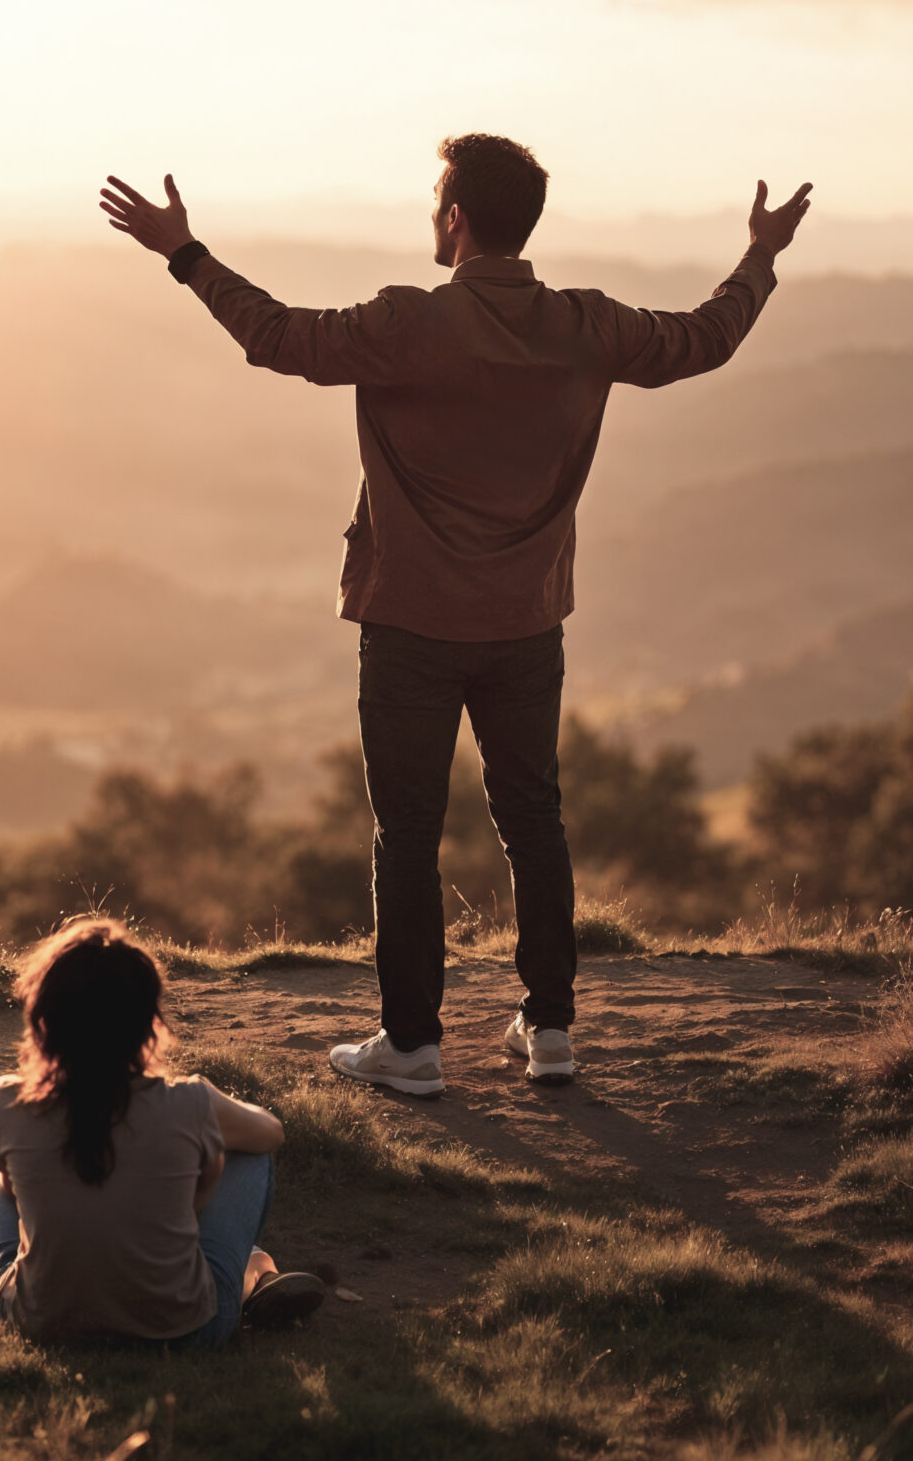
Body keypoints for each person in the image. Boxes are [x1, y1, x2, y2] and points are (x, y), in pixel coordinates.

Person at [101, 140, 812, 1095]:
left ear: (454, 219)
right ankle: (550, 1031)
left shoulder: (407, 323)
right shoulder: (585, 325)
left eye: (438, 197)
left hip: (410, 627)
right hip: (526, 626)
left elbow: (277, 335)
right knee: (535, 822)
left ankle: (413, 1046)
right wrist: (761, 255)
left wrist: (185, 254)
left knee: (408, 834)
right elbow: (704, 339)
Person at [0, 917, 325, 1345]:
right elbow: (271, 1133)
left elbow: (15, 1194)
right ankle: (253, 1273)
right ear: (148, 1020)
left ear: (44, 1015)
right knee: (252, 1155)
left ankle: (56, 1285)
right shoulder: (189, 1103)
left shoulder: (6, 1100)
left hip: (42, 1326)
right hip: (184, 1330)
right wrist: (210, 1120)